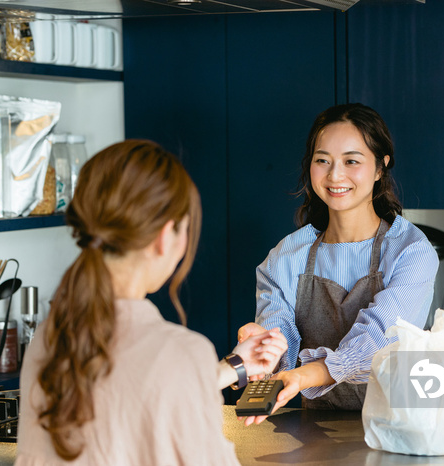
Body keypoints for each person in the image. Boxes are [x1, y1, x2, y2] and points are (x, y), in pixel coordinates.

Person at [15, 140, 287, 465]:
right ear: (164, 235)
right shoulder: (181, 352)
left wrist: (235, 367)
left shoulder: (48, 338)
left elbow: (126, 395)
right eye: (185, 229)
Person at [238, 103, 439, 421]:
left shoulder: (410, 251)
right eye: (322, 161)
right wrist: (266, 349)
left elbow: (377, 340)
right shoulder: (285, 258)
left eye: (351, 161)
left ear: (380, 168)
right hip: (317, 429)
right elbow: (281, 336)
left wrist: (305, 376)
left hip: (400, 428)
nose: (335, 175)